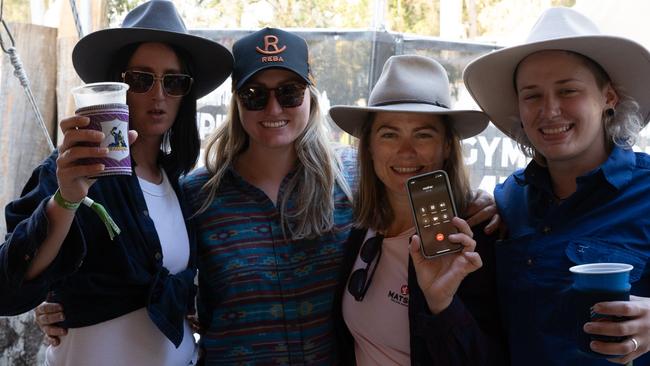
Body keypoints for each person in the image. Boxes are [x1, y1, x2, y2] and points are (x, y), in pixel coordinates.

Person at [35, 27, 499, 365]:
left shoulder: (355, 181)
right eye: (255, 95)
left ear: (310, 99)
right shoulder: (197, 193)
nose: (273, 109)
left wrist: (477, 199)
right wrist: (61, 302)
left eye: (289, 92)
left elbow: (414, 184)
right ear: (236, 103)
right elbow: (145, 264)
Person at [0, 1, 233, 365]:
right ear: (114, 86)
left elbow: (173, 285)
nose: (158, 95)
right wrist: (67, 199)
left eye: (173, 81)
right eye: (141, 79)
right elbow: (9, 287)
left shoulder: (183, 186)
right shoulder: (71, 174)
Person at [463, 7, 650, 366]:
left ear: (608, 97)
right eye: (532, 95)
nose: (549, 110)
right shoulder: (508, 200)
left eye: (568, 90)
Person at [328, 54, 507, 365]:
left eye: (423, 134)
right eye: (389, 134)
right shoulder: (360, 221)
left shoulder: (474, 239)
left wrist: (443, 305)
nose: (406, 152)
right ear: (369, 146)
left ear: (447, 146)